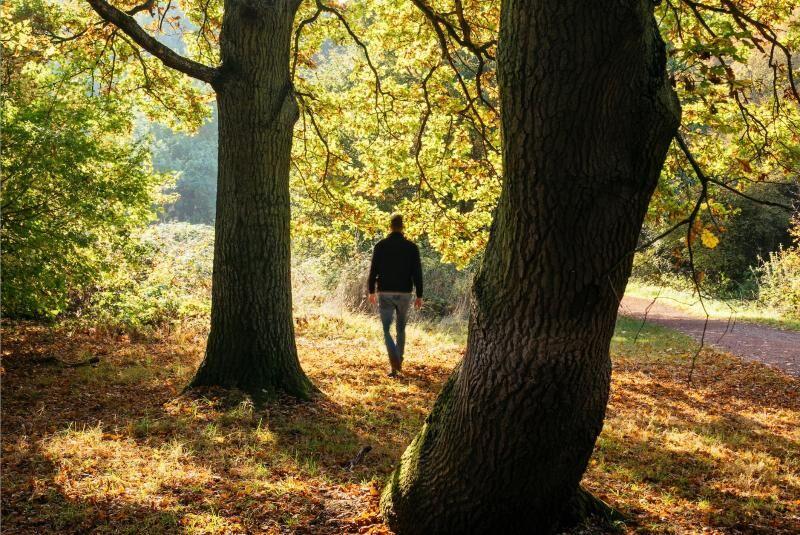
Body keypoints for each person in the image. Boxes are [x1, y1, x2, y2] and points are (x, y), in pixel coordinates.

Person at [367, 214, 423, 377]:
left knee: (386, 329)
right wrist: (419, 295)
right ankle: (397, 363)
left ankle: (394, 363)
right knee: (401, 329)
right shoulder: (412, 247)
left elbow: (373, 270)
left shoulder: (380, 246)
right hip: (405, 293)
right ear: (402, 227)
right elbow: (417, 273)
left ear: (390, 226)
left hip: (385, 292)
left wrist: (371, 290)